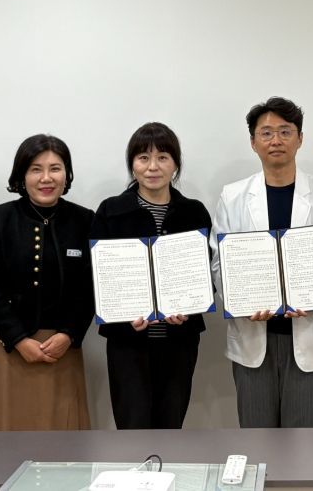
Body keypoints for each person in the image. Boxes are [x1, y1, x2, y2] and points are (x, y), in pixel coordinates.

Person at [211, 96, 313, 428]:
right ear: (253, 142)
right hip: (252, 332)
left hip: (309, 330)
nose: (275, 140)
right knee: (256, 437)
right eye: (266, 133)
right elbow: (219, 258)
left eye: (285, 131)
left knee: (305, 440)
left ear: (300, 138)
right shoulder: (232, 196)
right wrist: (240, 301)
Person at [90, 122, 211, 429]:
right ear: (132, 164)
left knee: (171, 424)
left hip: (180, 342)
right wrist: (124, 315)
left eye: (163, 157)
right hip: (127, 343)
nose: (153, 167)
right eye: (143, 157)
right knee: (133, 427)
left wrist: (189, 307)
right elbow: (99, 279)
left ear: (175, 164)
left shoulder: (194, 212)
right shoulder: (111, 211)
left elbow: (206, 273)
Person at [0, 134, 94, 430]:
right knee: (8, 436)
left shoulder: (84, 220)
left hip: (63, 349)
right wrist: (18, 339)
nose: (46, 178)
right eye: (35, 169)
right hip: (11, 347)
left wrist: (69, 334)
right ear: (22, 175)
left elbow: (89, 287)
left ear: (67, 174)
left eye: (55, 168)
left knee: (63, 437)